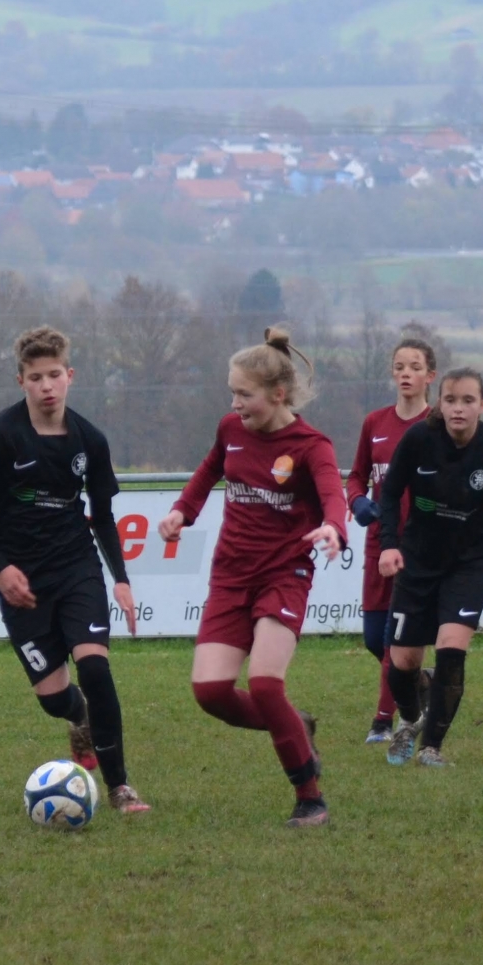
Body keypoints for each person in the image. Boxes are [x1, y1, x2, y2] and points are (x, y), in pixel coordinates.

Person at [159, 328, 346, 827]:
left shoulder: (310, 445)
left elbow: (333, 494)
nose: (234, 403)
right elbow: (209, 470)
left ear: (278, 394)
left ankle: (310, 798)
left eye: (244, 394)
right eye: (232, 393)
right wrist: (182, 511)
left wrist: (334, 527)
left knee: (265, 684)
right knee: (211, 693)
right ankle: (295, 726)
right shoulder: (231, 429)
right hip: (231, 575)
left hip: (284, 574)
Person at [0, 326, 149, 814]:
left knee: (95, 667)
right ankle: (78, 716)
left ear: (70, 376)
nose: (46, 386)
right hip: (22, 580)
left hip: (76, 566)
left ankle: (120, 787)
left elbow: (102, 516)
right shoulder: (0, 434)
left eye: (54, 375)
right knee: (53, 698)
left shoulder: (91, 440)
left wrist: (120, 579)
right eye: (35, 377)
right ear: (21, 381)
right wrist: (1, 569)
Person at [376, 368, 483, 767]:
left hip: (469, 564)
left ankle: (432, 748)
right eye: (450, 400)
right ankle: (413, 715)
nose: (458, 408)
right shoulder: (418, 439)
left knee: (451, 650)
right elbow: (389, 494)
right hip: (417, 561)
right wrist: (389, 545)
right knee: (402, 664)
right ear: (439, 404)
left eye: (467, 400)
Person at [345, 337, 436, 743]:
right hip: (379, 544)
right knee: (374, 637)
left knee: (392, 641)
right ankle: (421, 683)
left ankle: (383, 722)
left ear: (430, 376)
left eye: (415, 367)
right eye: (399, 367)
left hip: (418, 547)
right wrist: (357, 500)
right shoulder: (374, 423)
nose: (406, 374)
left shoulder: (437, 425)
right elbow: (356, 476)